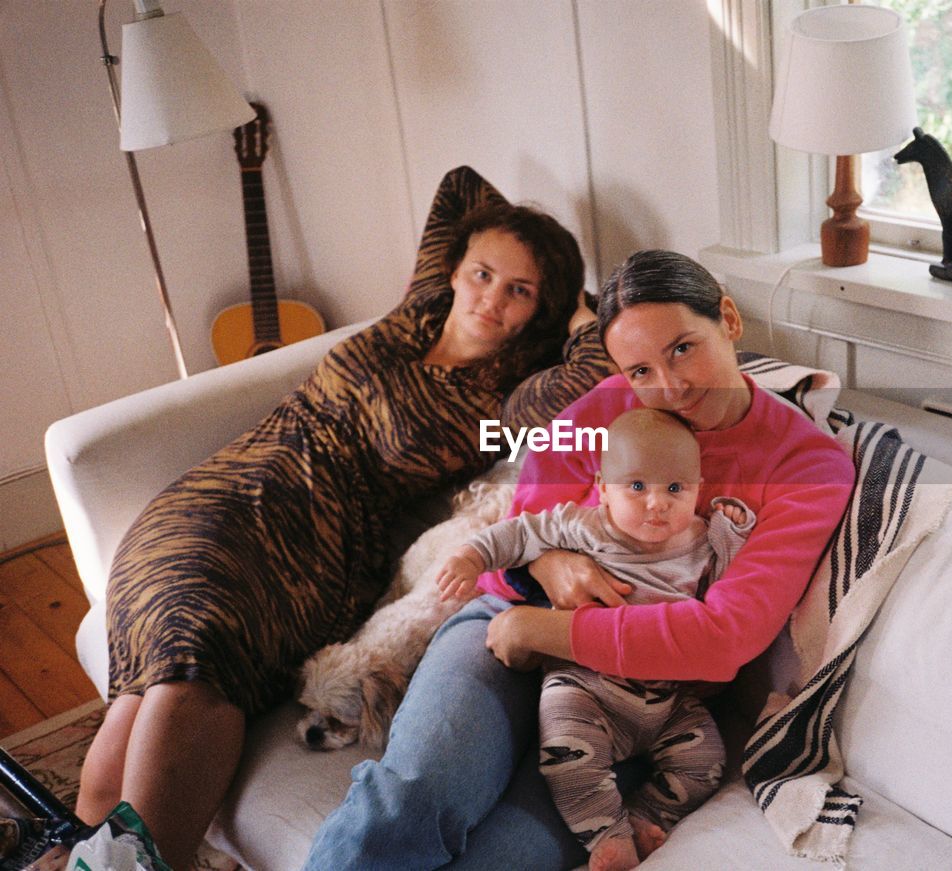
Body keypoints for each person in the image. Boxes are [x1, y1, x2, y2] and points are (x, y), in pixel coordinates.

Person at [74, 166, 612, 871]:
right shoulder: (417, 308)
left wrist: (574, 305)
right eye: (481, 273)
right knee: (155, 645)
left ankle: (136, 859)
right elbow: (458, 187)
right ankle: (83, 845)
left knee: (197, 643)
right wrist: (519, 248)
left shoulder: (512, 395)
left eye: (520, 292)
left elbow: (604, 368)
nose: (491, 299)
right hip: (217, 492)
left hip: (312, 544)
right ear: (453, 270)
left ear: (539, 313)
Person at [304, 248, 856, 870]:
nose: (669, 387)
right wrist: (542, 568)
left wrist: (548, 629)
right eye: (640, 369)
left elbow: (725, 638)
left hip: (642, 698)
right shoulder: (603, 410)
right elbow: (500, 542)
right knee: (409, 802)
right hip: (501, 635)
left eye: (683, 348)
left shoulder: (806, 466)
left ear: (728, 319)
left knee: (500, 859)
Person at [437, 407, 756, 871]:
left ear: (698, 490)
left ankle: (646, 814)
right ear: (603, 489)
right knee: (567, 754)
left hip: (666, 700)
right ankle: (607, 835)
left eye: (675, 488)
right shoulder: (583, 526)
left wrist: (735, 529)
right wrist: (470, 558)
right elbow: (519, 532)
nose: (656, 503)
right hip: (586, 687)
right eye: (637, 487)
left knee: (706, 761)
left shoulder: (705, 541)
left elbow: (736, 593)